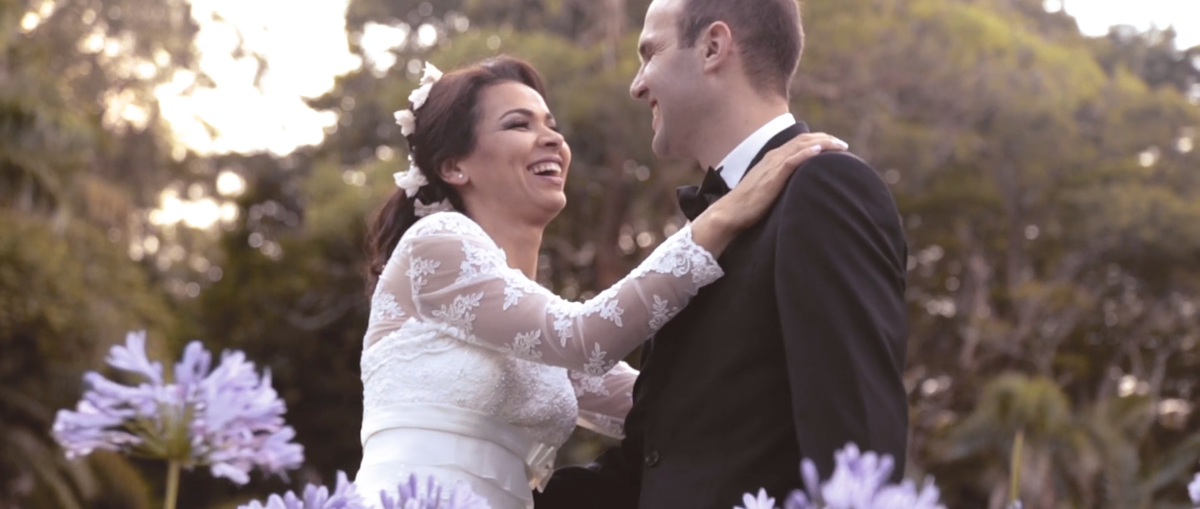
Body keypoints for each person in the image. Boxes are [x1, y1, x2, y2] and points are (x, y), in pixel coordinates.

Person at [353, 56, 847, 509]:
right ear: (453, 166)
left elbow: (663, 408)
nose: (551, 139)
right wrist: (724, 216)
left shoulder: (531, 330)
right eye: (518, 124)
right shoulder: (437, 242)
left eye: (552, 125)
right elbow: (585, 338)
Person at [533, 0, 910, 508]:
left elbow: (856, 437)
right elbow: (656, 463)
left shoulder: (824, 188)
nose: (637, 84)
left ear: (713, 47)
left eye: (650, 54)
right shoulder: (701, 237)